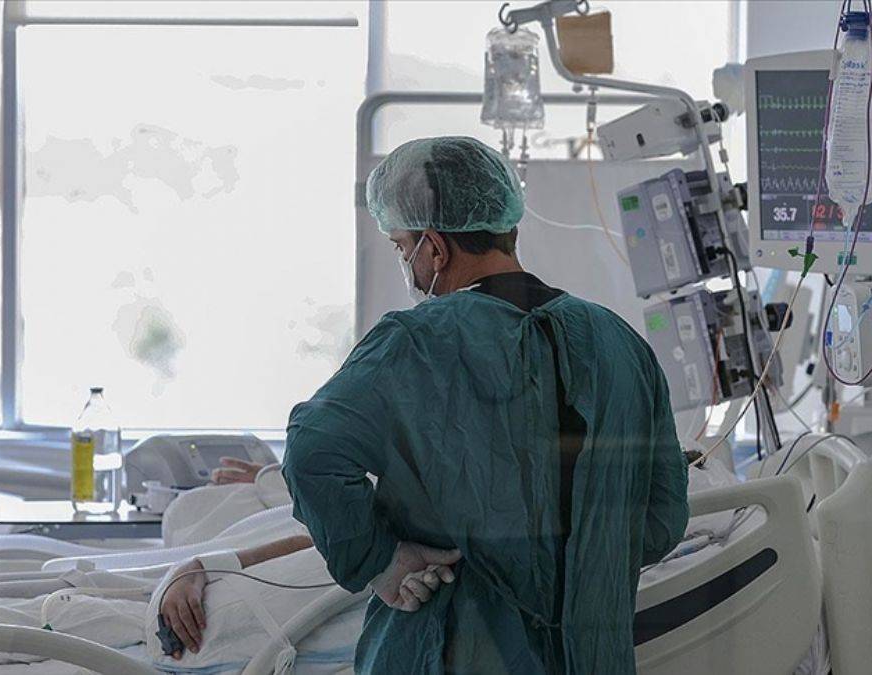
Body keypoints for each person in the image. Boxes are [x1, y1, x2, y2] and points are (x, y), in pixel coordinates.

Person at [281, 136, 689, 674]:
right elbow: (662, 519)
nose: (406, 262)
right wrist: (583, 574)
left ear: (435, 248)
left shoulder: (417, 342)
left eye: (402, 246)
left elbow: (312, 451)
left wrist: (383, 562)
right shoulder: (620, 343)